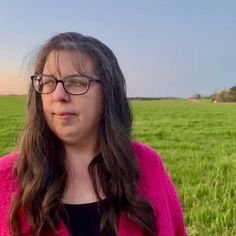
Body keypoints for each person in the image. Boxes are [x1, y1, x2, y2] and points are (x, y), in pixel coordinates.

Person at [0, 32, 187, 236]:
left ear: (107, 93)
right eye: (47, 82)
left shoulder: (147, 165)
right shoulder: (5, 176)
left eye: (77, 82)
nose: (58, 95)